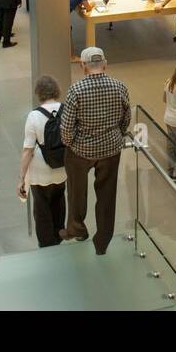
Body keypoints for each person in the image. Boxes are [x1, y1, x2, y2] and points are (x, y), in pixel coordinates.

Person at [59, 47, 131, 254]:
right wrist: (117, 134)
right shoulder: (119, 86)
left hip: (80, 151)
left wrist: (70, 143)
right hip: (110, 149)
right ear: (105, 64)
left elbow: (67, 126)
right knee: (107, 195)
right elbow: (126, 117)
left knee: (76, 192)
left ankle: (77, 228)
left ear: (83, 66)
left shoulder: (76, 90)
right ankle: (103, 240)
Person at [18, 75, 68, 247]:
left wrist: (21, 178)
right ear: (56, 90)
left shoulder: (34, 116)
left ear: (38, 93)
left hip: (40, 170)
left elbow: (27, 150)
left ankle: (47, 244)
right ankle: (59, 235)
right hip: (62, 166)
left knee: (41, 208)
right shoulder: (66, 109)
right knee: (59, 202)